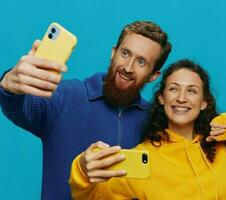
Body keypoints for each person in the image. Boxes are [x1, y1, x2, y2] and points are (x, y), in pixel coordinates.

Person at [70, 59, 226, 200]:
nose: (181, 98)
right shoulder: (143, 158)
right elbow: (92, 197)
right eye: (173, 89)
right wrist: (82, 169)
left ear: (204, 102)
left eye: (191, 91)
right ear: (161, 98)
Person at [0, 21, 172, 199]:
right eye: (125, 53)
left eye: (141, 62)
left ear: (153, 76)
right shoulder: (66, 97)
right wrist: (9, 85)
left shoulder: (155, 120)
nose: (128, 68)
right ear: (113, 53)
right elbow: (18, 106)